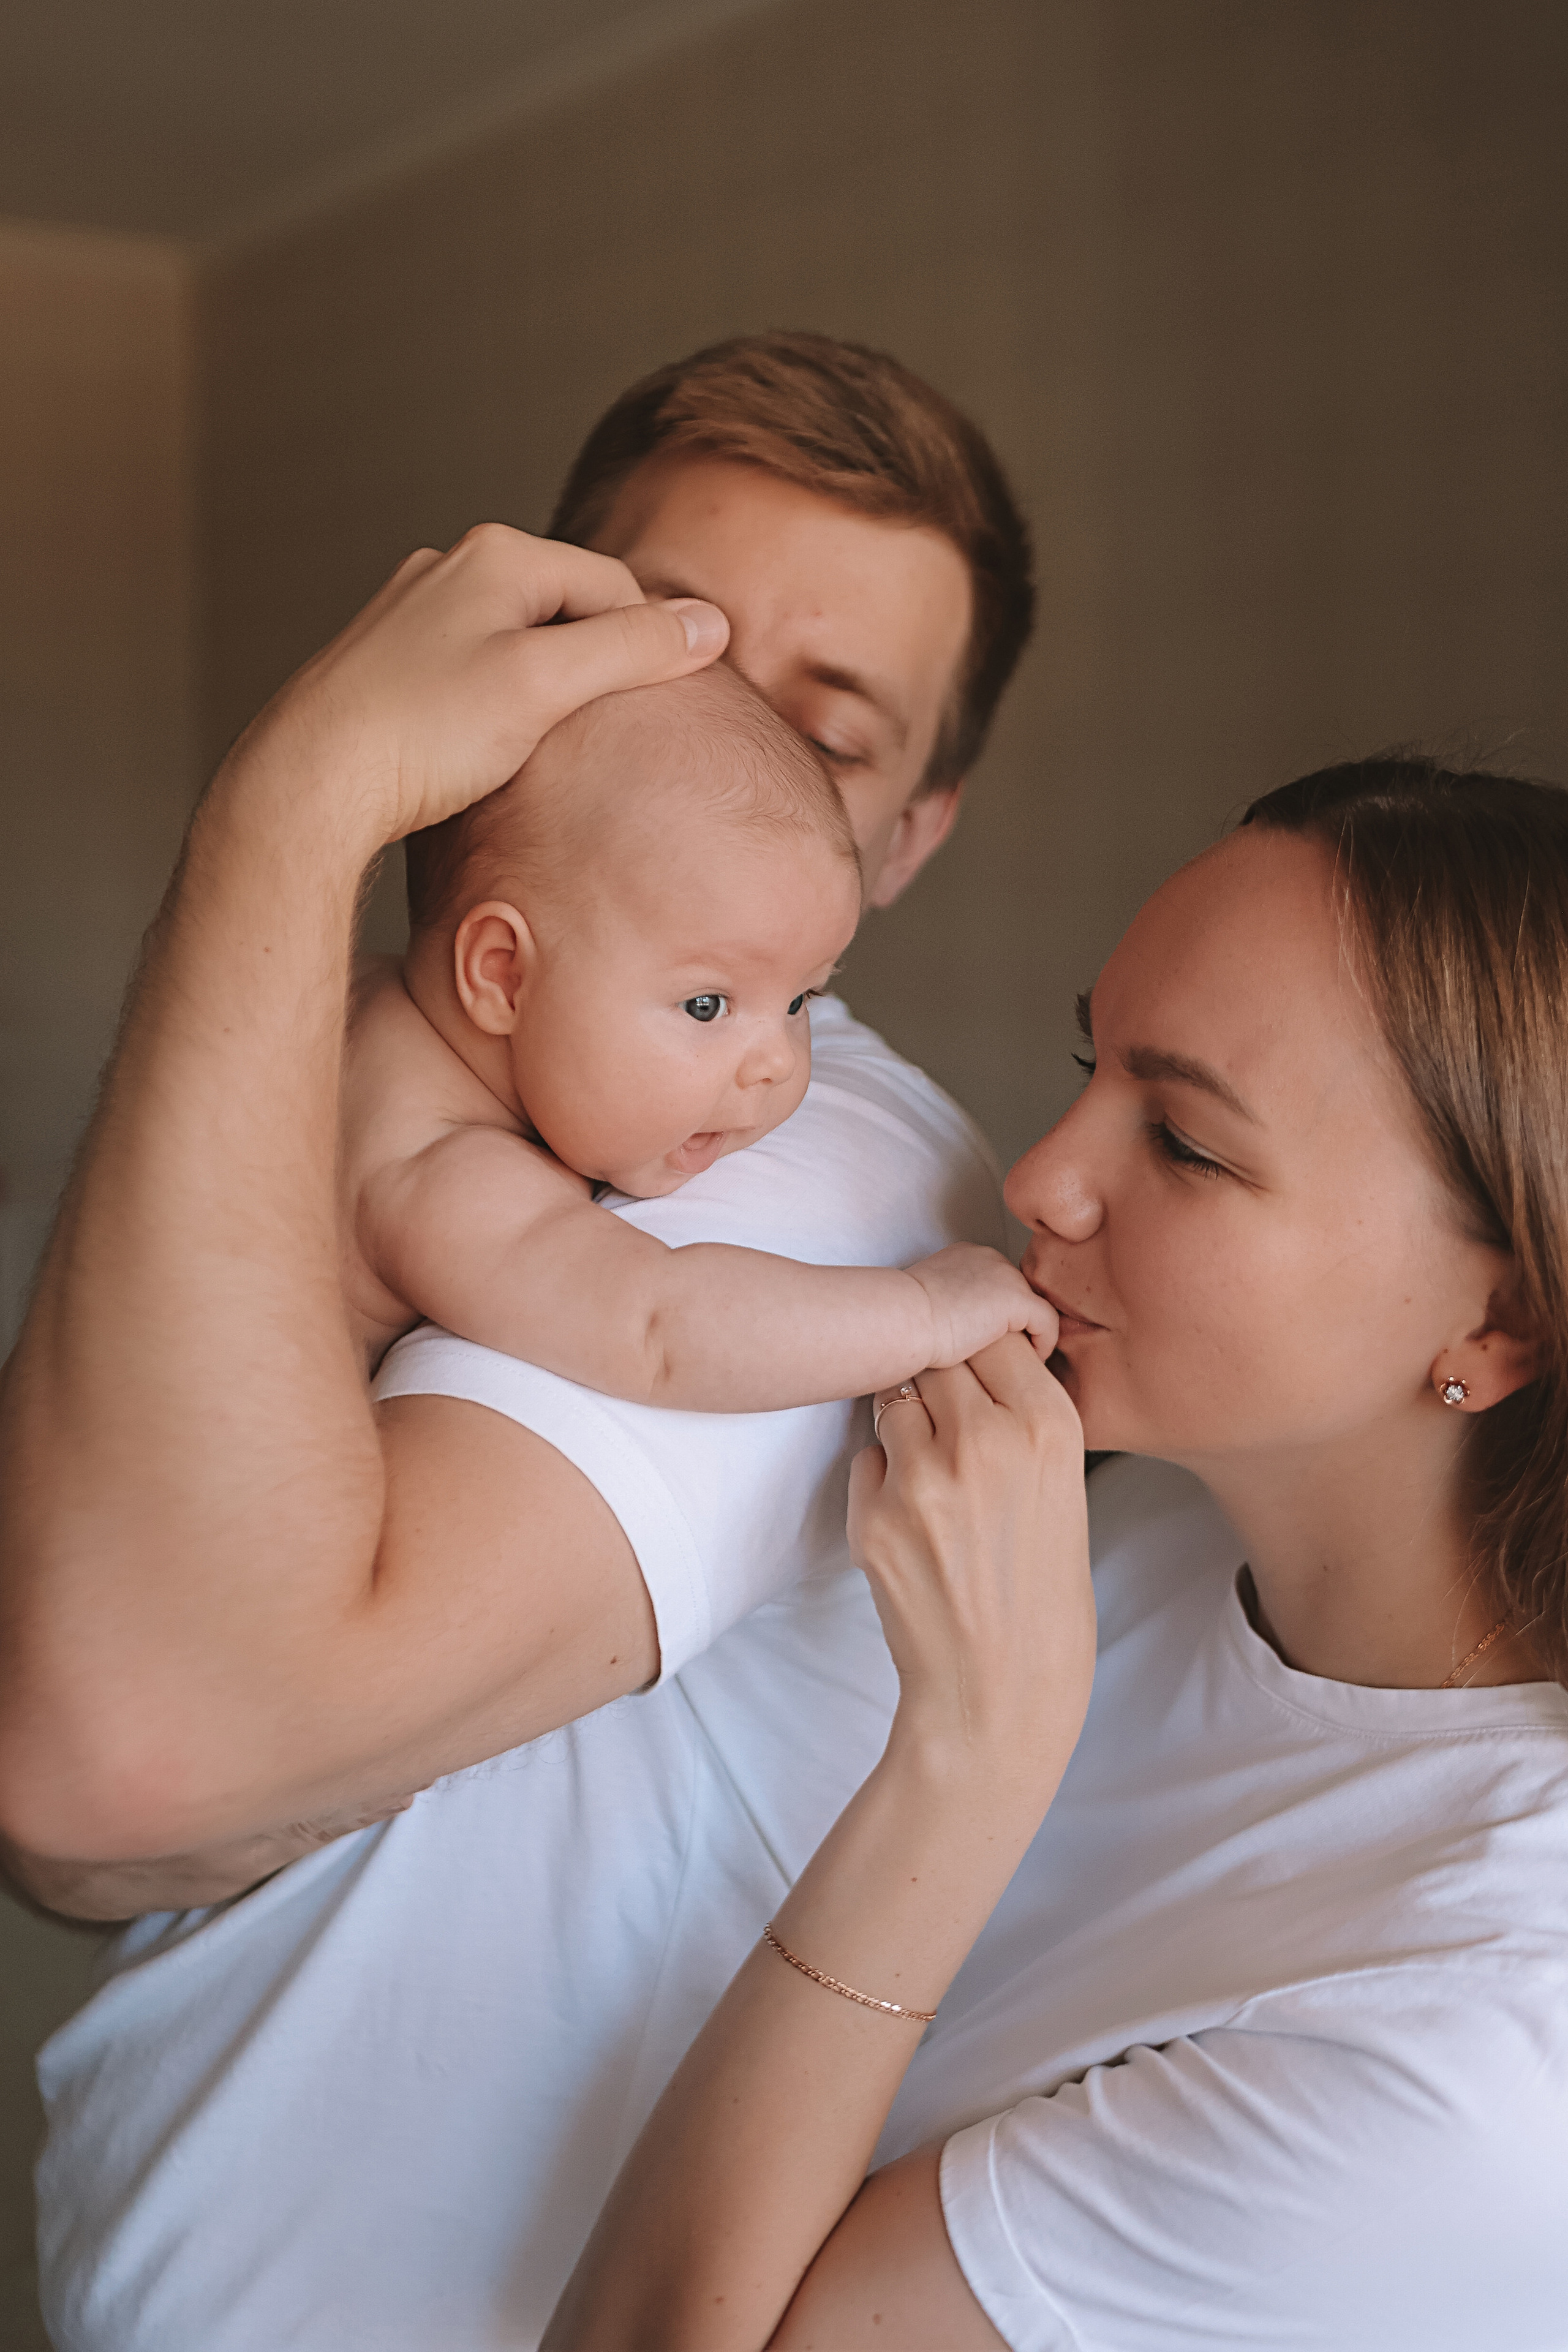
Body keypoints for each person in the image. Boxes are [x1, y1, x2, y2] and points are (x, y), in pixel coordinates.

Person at [1, 336, 1039, 2346]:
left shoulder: (817, 1158)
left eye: (824, 730)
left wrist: (280, 825)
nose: (722, 756)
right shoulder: (350, 1066)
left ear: (904, 840)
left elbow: (101, 1772)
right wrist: (290, 826)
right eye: (666, 661)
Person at [549, 758, 1568, 2352]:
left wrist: (971, 1758)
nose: (1040, 1179)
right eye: (1089, 1063)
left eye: (1187, 1145)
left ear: (1497, 1320)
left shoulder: (1477, 2061)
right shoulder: (1153, 1536)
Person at [345, 664, 1047, 1390]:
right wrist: (926, 1312)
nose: (775, 1061)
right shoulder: (438, 1171)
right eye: (706, 1006)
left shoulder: (342, 1000)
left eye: (802, 999)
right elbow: (657, 1330)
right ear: (503, 976)